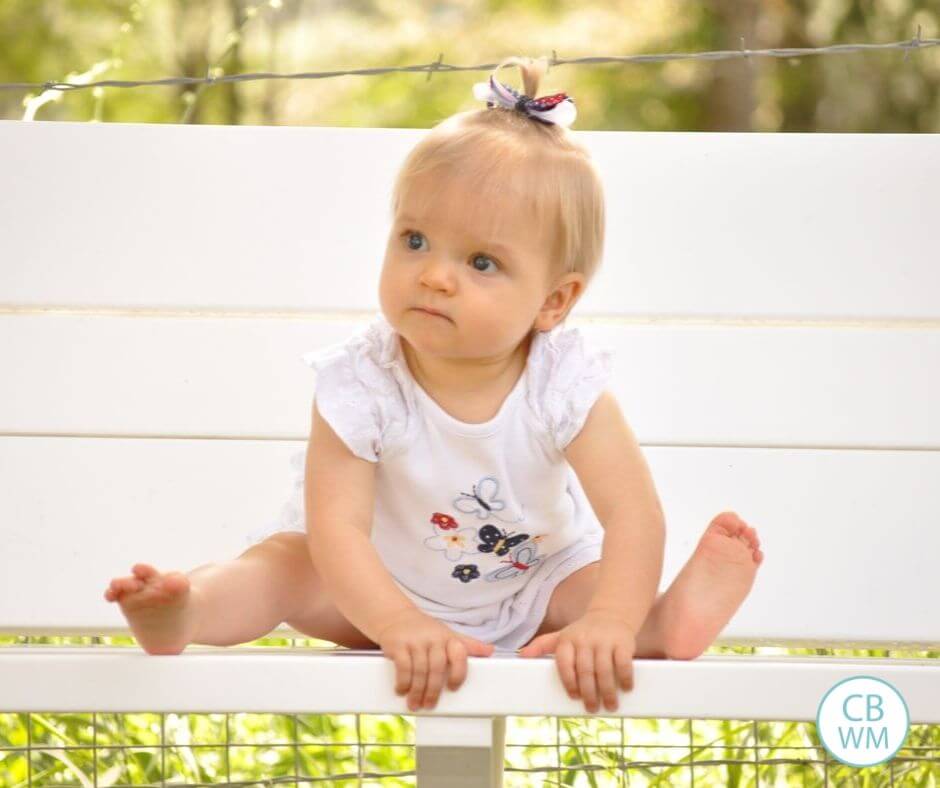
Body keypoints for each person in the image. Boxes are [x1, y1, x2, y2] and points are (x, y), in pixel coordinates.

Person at [104, 55, 764, 715]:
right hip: (367, 589)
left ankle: (655, 626)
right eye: (415, 240)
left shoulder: (562, 382)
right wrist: (398, 624)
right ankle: (188, 608)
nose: (435, 276)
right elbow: (339, 530)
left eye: (481, 262)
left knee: (588, 594)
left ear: (554, 302)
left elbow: (632, 515)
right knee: (281, 566)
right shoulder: (361, 381)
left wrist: (610, 621)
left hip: (530, 586)